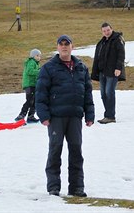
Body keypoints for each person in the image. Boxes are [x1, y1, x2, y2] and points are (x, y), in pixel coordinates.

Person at [35, 35, 95, 197]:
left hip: (75, 117)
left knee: (76, 152)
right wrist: (43, 115)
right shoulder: (48, 68)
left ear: (72, 47)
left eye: (66, 44)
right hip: (56, 117)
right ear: (57, 47)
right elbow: (40, 93)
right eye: (61, 45)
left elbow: (87, 92)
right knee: (55, 151)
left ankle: (77, 187)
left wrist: (89, 114)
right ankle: (53, 187)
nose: (64, 47)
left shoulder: (81, 67)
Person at [91, 22, 126, 124]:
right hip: (103, 72)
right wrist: (95, 71)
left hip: (112, 72)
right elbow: (98, 57)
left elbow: (121, 55)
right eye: (104, 31)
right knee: (103, 94)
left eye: (108, 30)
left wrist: (118, 68)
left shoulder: (117, 40)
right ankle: (108, 114)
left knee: (109, 93)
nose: (106, 32)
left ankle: (110, 116)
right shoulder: (102, 42)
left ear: (111, 29)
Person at [15, 49, 41, 122]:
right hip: (29, 84)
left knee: (35, 100)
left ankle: (31, 116)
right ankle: (21, 115)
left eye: (40, 56)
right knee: (30, 100)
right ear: (33, 56)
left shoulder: (36, 63)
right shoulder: (31, 62)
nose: (39, 57)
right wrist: (39, 71)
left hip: (34, 84)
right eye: (37, 55)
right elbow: (30, 71)